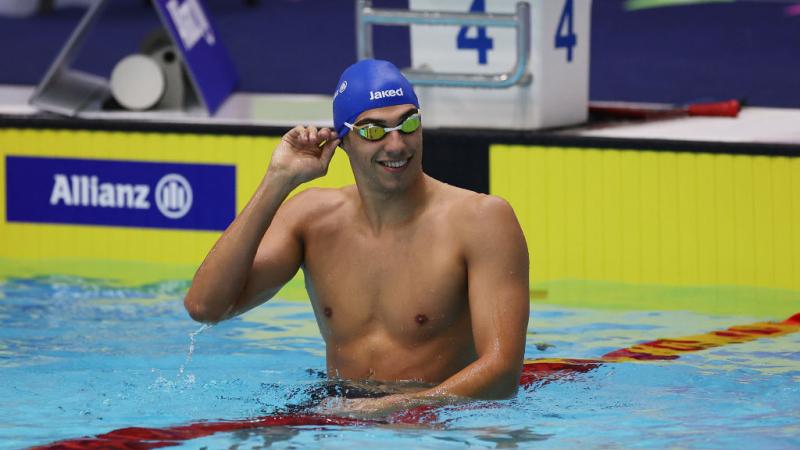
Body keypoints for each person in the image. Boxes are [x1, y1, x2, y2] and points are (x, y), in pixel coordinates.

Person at [184, 59, 530, 416]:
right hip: (339, 412)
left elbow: (503, 374)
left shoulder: (481, 220)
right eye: (373, 131)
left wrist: (398, 408)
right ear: (343, 140)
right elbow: (205, 307)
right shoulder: (313, 219)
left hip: (438, 419)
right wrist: (278, 181)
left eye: (408, 124)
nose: (396, 144)